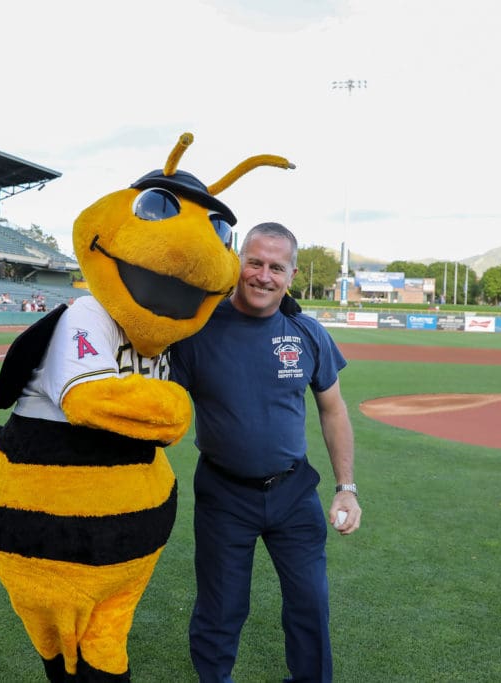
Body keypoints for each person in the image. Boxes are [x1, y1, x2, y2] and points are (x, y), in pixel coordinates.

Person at [171, 222, 361, 682]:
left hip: (294, 491)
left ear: (291, 276)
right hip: (223, 493)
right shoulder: (197, 331)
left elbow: (333, 411)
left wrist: (346, 488)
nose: (263, 275)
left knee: (310, 604)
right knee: (220, 609)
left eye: (276, 267)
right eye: (254, 262)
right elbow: (164, 404)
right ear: (238, 264)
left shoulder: (307, 332)